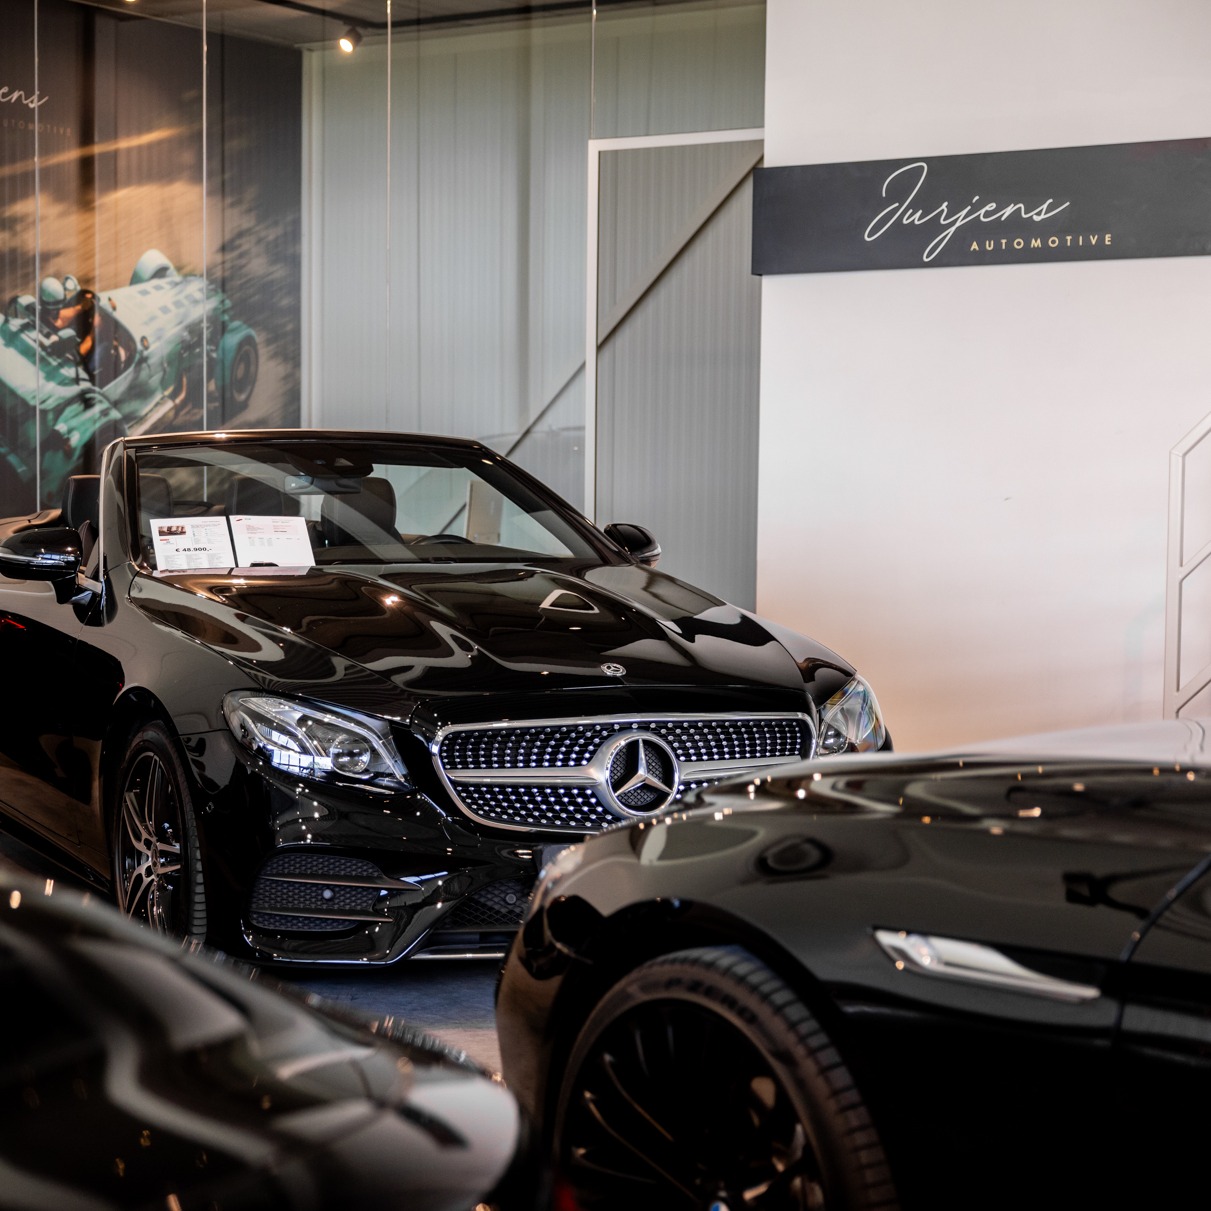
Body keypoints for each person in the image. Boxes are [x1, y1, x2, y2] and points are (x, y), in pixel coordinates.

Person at [40, 274, 101, 381]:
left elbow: (91, 297)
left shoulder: (40, 317)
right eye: (58, 307)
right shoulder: (54, 335)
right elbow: (76, 353)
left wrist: (81, 307)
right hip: (70, 362)